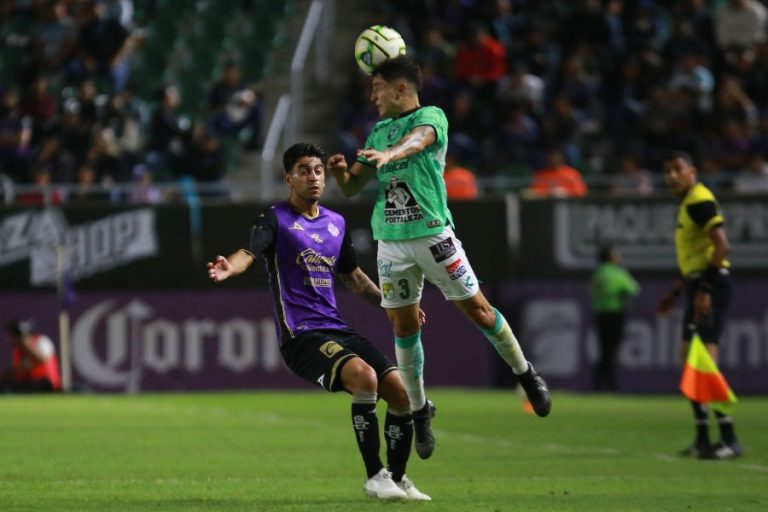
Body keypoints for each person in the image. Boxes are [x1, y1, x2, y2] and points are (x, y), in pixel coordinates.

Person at [327, 56, 551, 461]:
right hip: (392, 242)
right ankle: (419, 410)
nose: (372, 95)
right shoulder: (377, 131)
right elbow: (350, 188)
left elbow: (421, 140)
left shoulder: (432, 116)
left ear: (400, 89)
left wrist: (391, 156)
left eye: (377, 86)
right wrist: (342, 172)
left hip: (432, 234)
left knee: (479, 311)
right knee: (403, 325)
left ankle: (526, 373)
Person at [206, 142, 430, 501]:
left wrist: (394, 305)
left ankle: (398, 478)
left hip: (336, 328)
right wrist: (229, 266)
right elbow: (249, 253)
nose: (313, 177)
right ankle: (375, 475)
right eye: (304, 170)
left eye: (318, 170)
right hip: (301, 335)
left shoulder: (336, 223)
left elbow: (353, 277)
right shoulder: (274, 219)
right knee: (365, 378)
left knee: (400, 391)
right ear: (288, 178)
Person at [657, 151, 742, 460]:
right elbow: (695, 257)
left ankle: (730, 438)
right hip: (697, 283)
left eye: (677, 169)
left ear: (692, 171)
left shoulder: (698, 201)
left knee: (705, 360)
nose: (671, 176)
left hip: (712, 283)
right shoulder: (687, 202)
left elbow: (722, 245)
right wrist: (677, 291)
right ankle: (704, 438)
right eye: (667, 171)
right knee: (690, 358)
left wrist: (704, 290)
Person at [589, 245, 640, 391]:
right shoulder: (617, 273)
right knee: (610, 351)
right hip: (616, 314)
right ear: (610, 257)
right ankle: (610, 385)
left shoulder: (597, 273)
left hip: (600, 314)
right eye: (615, 255)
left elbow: (593, 291)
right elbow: (633, 289)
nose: (619, 257)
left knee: (604, 350)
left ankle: (598, 384)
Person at [0, 319, 61, 393]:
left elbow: (42, 358)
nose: (9, 339)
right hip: (28, 382)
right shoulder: (18, 349)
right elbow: (19, 369)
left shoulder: (41, 341)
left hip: (46, 383)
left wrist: (26, 345)